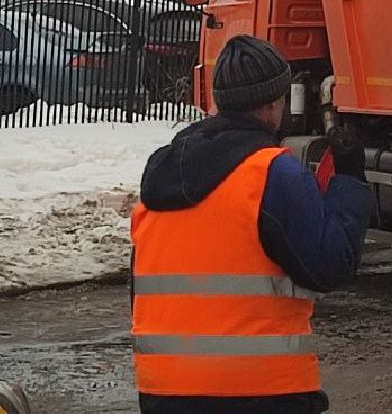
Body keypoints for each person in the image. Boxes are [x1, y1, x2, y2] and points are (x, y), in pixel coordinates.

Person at [130, 36, 372, 413]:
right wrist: (350, 181)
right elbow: (330, 264)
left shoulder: (160, 174)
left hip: (164, 393)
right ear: (274, 101)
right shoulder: (270, 173)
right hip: (261, 392)